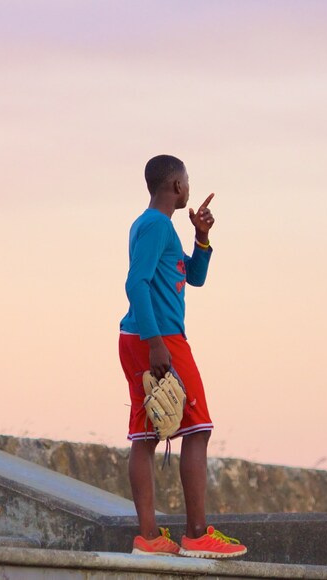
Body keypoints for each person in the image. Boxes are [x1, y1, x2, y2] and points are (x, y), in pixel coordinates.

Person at [119, 155, 247, 559]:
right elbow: (135, 282)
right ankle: (195, 534)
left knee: (145, 435)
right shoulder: (156, 226)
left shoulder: (153, 226)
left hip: (136, 335)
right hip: (159, 337)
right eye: (186, 182)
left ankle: (150, 538)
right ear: (176, 186)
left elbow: (193, 276)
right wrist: (156, 341)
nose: (189, 189)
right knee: (198, 428)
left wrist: (202, 238)